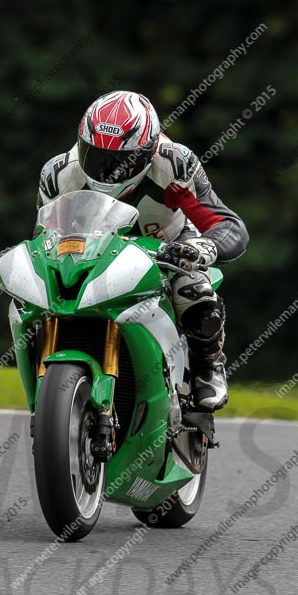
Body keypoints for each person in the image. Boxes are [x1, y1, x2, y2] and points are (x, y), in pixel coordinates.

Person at [36, 90, 249, 410]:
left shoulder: (175, 164)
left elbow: (228, 224)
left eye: (122, 160)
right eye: (96, 156)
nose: (108, 169)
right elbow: (44, 237)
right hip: (92, 249)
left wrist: (203, 248)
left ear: (148, 152)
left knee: (195, 288)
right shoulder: (58, 174)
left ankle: (208, 365)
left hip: (168, 246)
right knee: (41, 296)